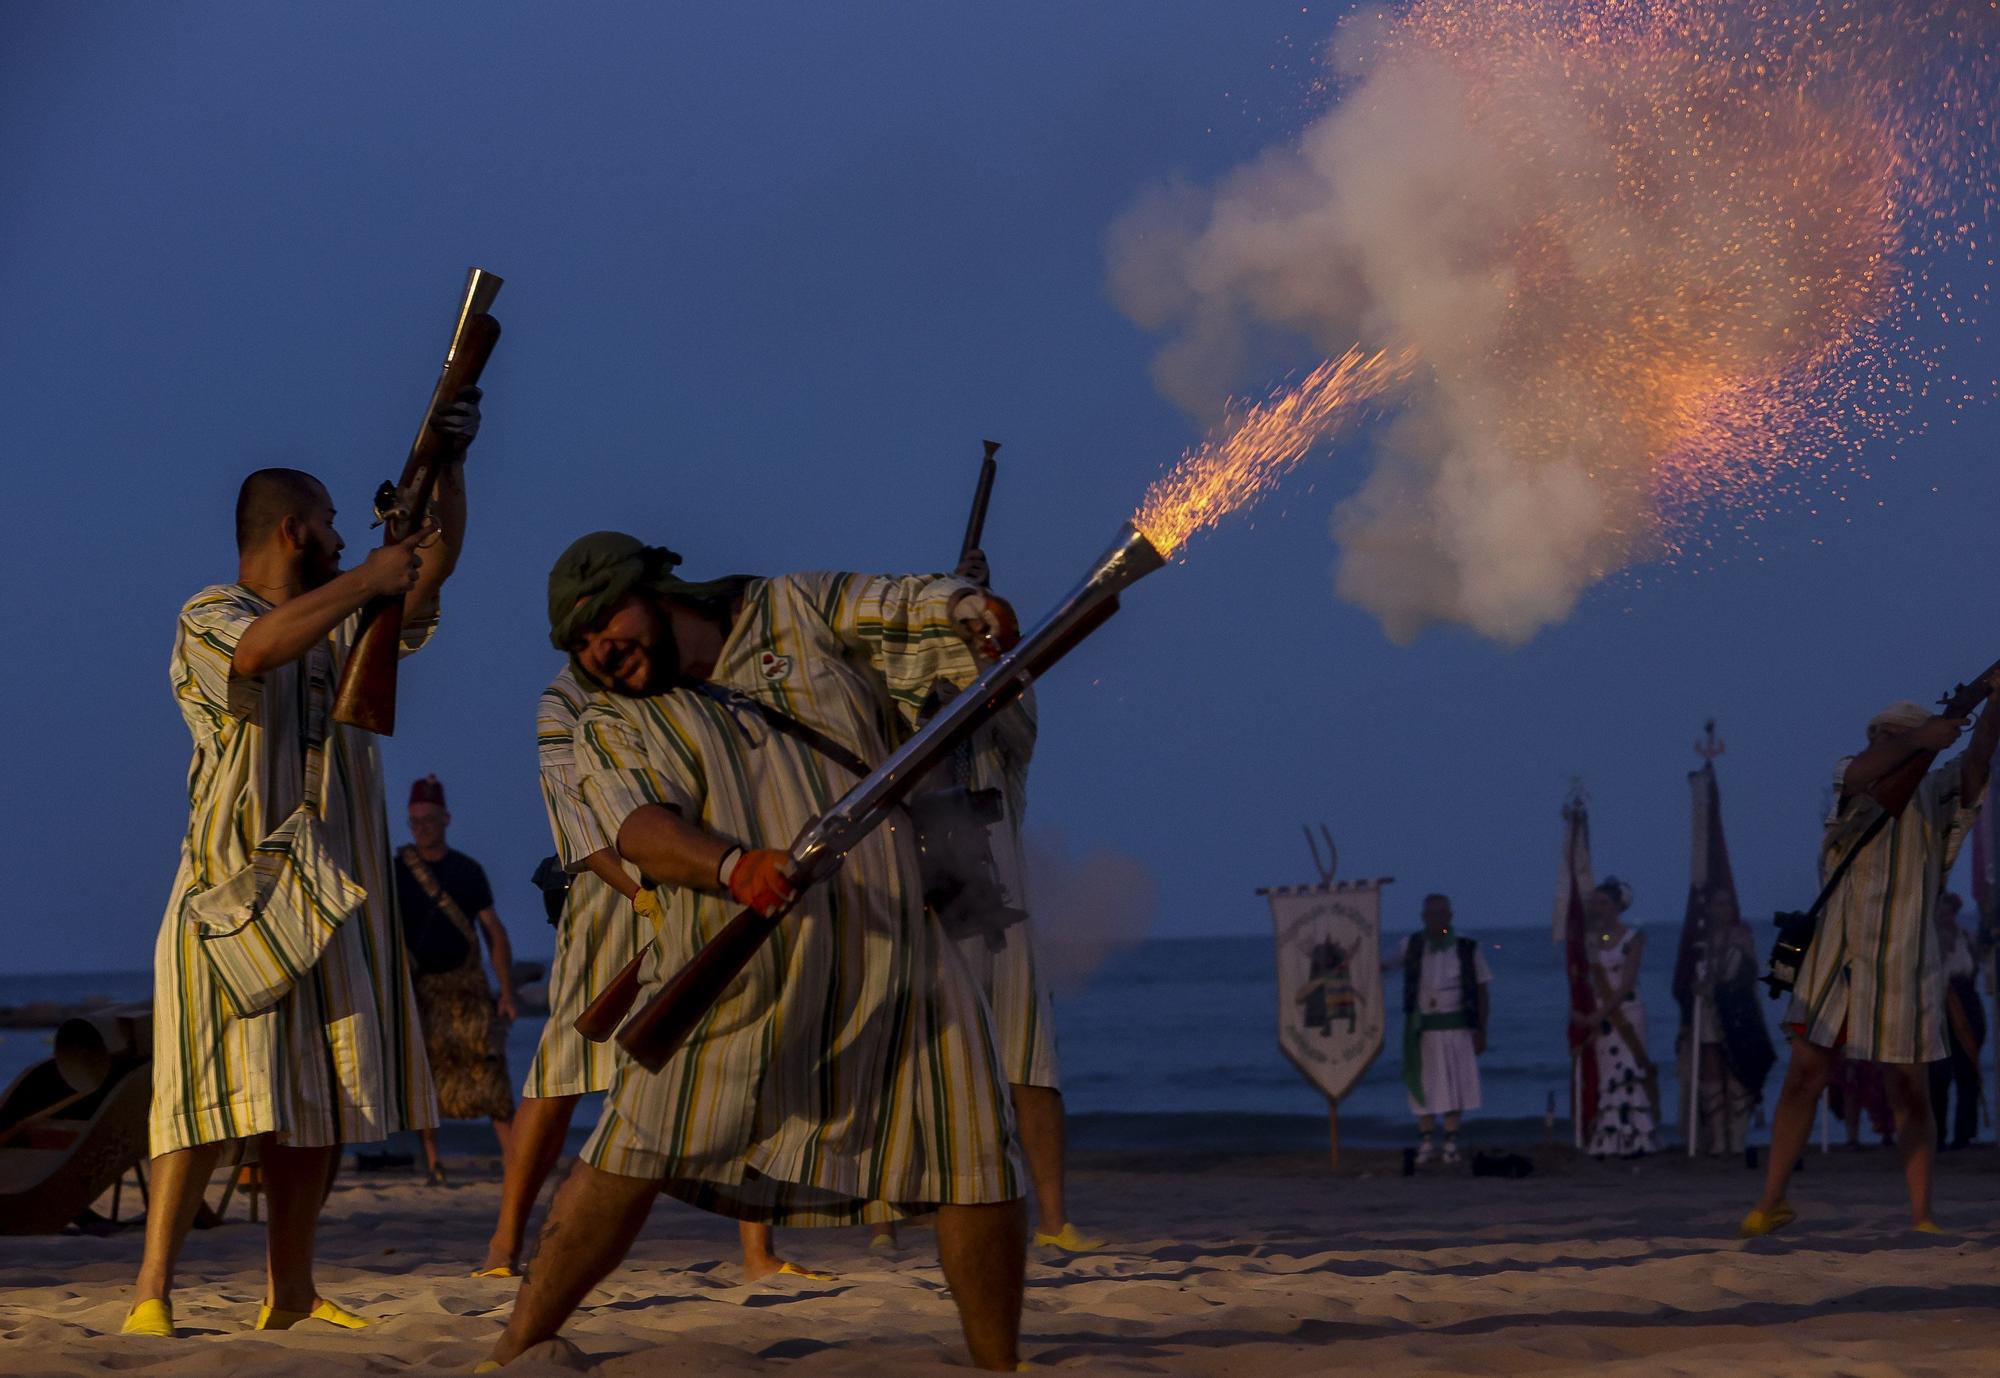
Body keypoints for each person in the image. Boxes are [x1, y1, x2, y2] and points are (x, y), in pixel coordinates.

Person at [482, 533, 1027, 1372]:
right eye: (581, 643)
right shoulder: (612, 717)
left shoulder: (792, 607)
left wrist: (967, 612)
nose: (600, 649)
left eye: (605, 621)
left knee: (977, 1154)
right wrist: (733, 867)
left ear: (658, 590)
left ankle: (1000, 1363)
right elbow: (637, 829)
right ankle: (516, 1347)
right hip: (731, 977)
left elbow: (899, 606)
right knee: (629, 1156)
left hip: (899, 951)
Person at [122, 388, 480, 1338]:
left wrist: (449, 466)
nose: (338, 533)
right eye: (327, 521)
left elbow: (430, 570)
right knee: (198, 1096)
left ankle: (289, 1294)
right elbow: (259, 650)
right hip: (229, 897)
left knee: (309, 1107)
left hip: (328, 899)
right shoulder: (213, 611)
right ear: (294, 530)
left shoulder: (347, 620)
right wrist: (370, 579)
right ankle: (152, 1293)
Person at [477, 666, 827, 1284]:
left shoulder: (683, 686)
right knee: (564, 1067)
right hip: (608, 899)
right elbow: (581, 829)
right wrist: (642, 896)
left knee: (740, 1049)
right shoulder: (564, 699)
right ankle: (503, 1248)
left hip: (697, 877)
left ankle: (757, 1252)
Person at [1742, 687, 2000, 1237]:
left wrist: (1992, 701)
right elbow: (1864, 770)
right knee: (1803, 1076)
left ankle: (1921, 1214)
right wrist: (1920, 737)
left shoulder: (1937, 790)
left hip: (1905, 957)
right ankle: (1771, 1201)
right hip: (1836, 952)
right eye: (1881, 735)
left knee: (1910, 1088)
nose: (1880, 743)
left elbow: (1978, 759)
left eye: (1892, 734)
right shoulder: (1851, 778)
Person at [397, 775, 517, 1185]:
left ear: (446, 818)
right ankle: (433, 1164)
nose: (423, 828)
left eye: (429, 819)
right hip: (420, 990)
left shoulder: (467, 871)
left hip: (467, 989)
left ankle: (514, 1160)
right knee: (425, 1078)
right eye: (416, 822)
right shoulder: (397, 871)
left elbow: (493, 931)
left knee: (491, 1072)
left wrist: (507, 993)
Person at [1389, 894, 1491, 1165]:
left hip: (1457, 1028)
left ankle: (1450, 1143)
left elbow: (1482, 990)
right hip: (1422, 1030)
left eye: (1440, 914)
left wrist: (1482, 1030)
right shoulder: (1410, 945)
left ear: (1450, 916)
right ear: (1423, 917)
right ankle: (1425, 1143)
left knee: (1455, 1085)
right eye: (1430, 914)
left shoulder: (1468, 947)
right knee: (1424, 1086)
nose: (1435, 919)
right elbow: (1386, 967)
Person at [1685, 887, 1772, 1156]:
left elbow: (1752, 972)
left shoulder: (1742, 936)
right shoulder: (1701, 941)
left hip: (1737, 1011)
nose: (1722, 909)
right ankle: (1717, 1139)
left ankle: (1736, 1138)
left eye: (1726, 904)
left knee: (1738, 1069)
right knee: (1711, 1066)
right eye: (1717, 904)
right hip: (1710, 1011)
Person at [1578, 878, 1659, 1157]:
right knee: (1608, 1073)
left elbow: (1627, 984)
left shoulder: (1632, 937)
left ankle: (1636, 1137)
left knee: (1629, 1071)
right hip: (1602, 1016)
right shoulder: (1591, 940)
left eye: (1605, 903)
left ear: (1618, 906)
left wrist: (1600, 1014)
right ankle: (1610, 1137)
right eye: (1596, 903)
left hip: (1627, 1013)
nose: (1599, 908)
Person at [1928, 892, 1984, 1151]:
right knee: (1939, 1073)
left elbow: (1975, 967)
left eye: (1949, 912)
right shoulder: (1930, 941)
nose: (1945, 917)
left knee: (1968, 1071)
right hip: (1942, 1003)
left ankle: (1965, 1134)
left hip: (1967, 1000)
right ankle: (1937, 1135)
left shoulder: (1966, 938)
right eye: (1941, 912)